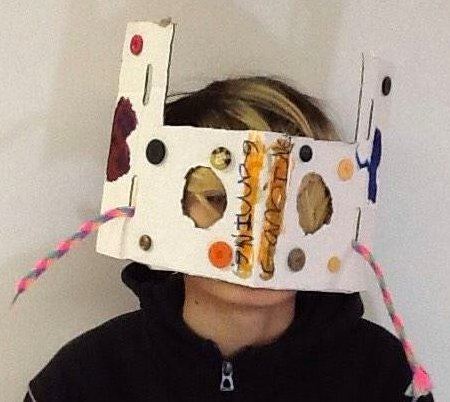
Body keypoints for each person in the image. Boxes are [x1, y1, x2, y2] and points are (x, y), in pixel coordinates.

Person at [24, 77, 434, 401]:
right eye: (218, 199)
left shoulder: (382, 378)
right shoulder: (84, 381)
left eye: (294, 201)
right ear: (163, 205)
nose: (261, 240)